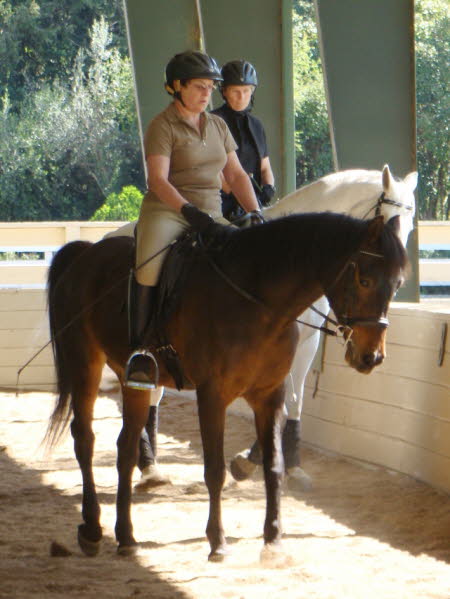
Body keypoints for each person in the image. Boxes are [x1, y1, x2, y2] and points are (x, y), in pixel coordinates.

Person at [125, 50, 262, 390]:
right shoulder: (162, 126)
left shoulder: (217, 125)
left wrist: (257, 212)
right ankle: (141, 353)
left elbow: (237, 174)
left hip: (212, 211)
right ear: (176, 87)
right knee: (148, 267)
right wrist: (189, 213)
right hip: (169, 212)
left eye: (210, 88)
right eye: (199, 87)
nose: (207, 94)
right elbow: (158, 180)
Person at [211, 60, 275, 221]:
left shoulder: (257, 125)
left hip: (255, 202)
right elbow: (214, 168)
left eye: (246, 91)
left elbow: (265, 166)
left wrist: (268, 187)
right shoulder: (212, 120)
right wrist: (234, 194)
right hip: (221, 203)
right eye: (235, 91)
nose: (242, 97)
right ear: (224, 91)